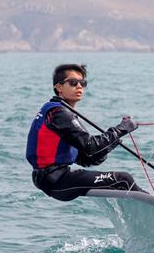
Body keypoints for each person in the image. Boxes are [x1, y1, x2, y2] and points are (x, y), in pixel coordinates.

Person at [26, 63, 141, 201]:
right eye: (73, 82)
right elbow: (91, 147)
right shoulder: (59, 113)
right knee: (124, 179)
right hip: (55, 179)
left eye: (82, 83)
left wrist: (111, 143)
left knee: (121, 180)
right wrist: (122, 129)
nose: (79, 86)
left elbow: (88, 158)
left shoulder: (59, 111)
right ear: (59, 87)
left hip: (53, 179)